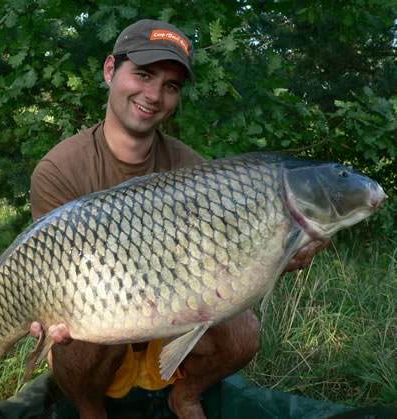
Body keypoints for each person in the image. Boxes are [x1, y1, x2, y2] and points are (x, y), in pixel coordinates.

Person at [24, 18, 328, 419]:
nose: (154, 95)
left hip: (172, 314)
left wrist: (276, 258)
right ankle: (90, 410)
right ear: (110, 70)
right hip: (100, 318)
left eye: (170, 86)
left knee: (244, 331)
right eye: (144, 75)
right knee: (81, 332)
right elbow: (47, 271)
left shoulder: (192, 169)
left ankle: (185, 395)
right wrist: (48, 314)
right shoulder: (60, 169)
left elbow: (225, 267)